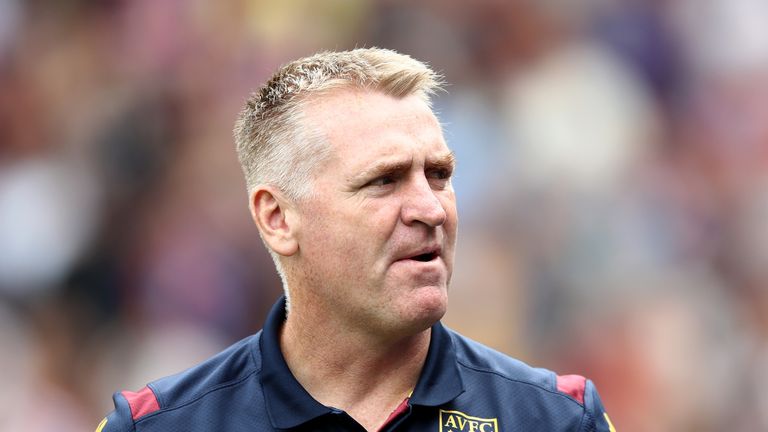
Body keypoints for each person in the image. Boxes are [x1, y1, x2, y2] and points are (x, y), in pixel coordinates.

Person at [96, 48, 616, 432]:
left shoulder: (557, 419)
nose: (431, 209)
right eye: (384, 180)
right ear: (277, 218)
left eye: (438, 175)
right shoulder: (155, 427)